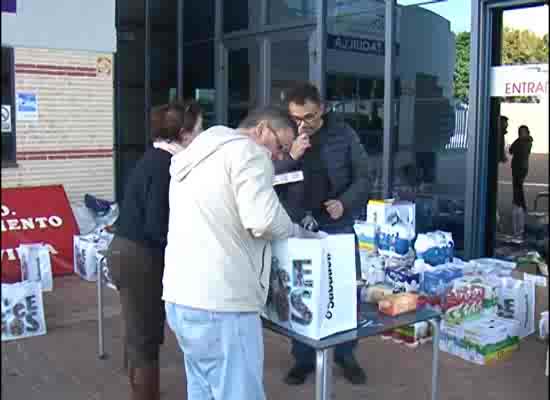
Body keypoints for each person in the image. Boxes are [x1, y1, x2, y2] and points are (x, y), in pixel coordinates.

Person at [162, 107, 320, 400]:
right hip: (222, 303)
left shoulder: (198, 153)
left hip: (179, 298)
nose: (279, 157)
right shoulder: (249, 153)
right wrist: (298, 233)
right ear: (261, 130)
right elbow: (263, 219)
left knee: (202, 388)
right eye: (281, 147)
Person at [106, 101, 203, 400]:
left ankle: (142, 389)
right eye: (200, 128)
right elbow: (156, 226)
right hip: (139, 258)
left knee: (138, 330)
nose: (202, 134)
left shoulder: (155, 157)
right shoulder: (167, 166)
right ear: (185, 134)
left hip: (129, 253)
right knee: (145, 334)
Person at [274, 82, 369, 385]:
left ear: (323, 109)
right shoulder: (284, 136)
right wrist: (291, 155)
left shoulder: (344, 133)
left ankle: (345, 354)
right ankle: (303, 358)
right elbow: (272, 182)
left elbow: (364, 177)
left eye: (310, 117)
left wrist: (345, 202)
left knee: (345, 287)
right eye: (297, 118)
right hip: (299, 224)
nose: (304, 124)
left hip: (337, 221)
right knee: (302, 291)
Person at [509, 124, 533, 237]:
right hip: (517, 167)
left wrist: (518, 141)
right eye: (520, 132)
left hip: (521, 168)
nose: (521, 134)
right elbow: (511, 150)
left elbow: (514, 150)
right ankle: (519, 204)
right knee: (517, 188)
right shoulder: (522, 141)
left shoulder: (526, 142)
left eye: (523, 132)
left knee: (518, 188)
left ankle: (521, 205)